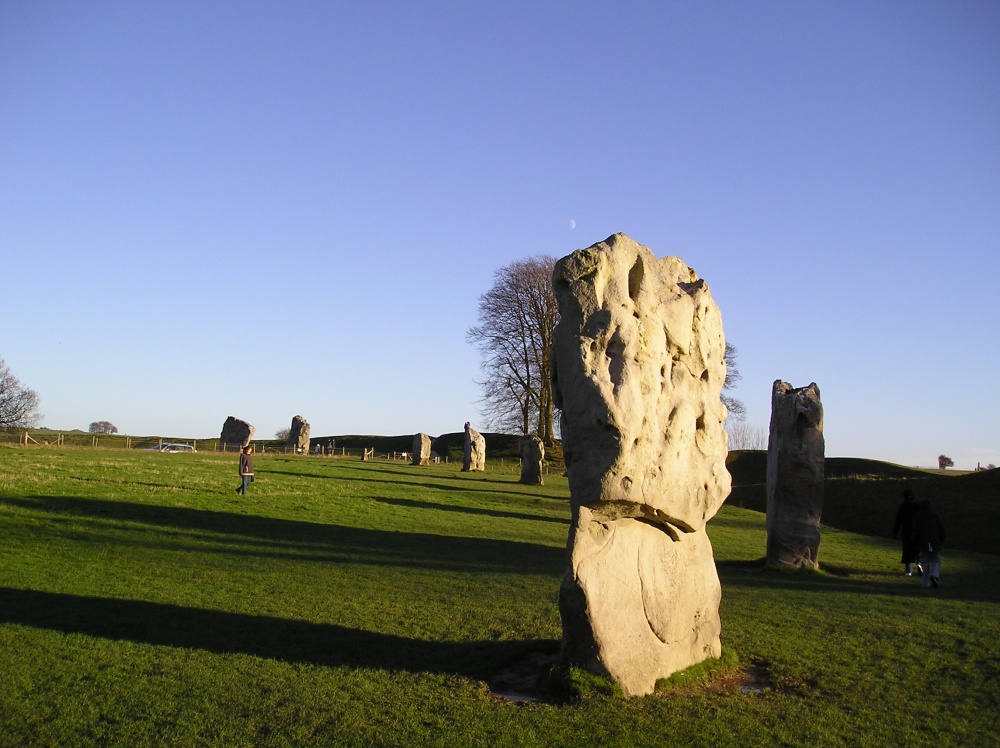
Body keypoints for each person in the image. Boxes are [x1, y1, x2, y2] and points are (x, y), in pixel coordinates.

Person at [911, 499, 946, 588]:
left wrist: (915, 542)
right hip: (934, 543)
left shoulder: (918, 516)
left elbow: (915, 531)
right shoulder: (935, 516)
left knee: (924, 563)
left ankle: (925, 583)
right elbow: (941, 530)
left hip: (922, 544)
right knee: (936, 561)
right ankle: (933, 574)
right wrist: (941, 541)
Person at [892, 489, 921, 575]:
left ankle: (908, 571)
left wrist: (895, 532)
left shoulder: (903, 506)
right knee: (917, 550)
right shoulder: (918, 506)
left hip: (906, 531)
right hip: (916, 531)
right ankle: (919, 564)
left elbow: (898, 520)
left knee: (907, 550)